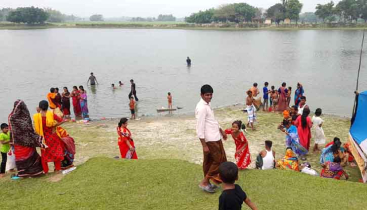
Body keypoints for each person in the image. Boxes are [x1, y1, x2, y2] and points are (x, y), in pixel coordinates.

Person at [196, 84, 227, 193]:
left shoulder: (208, 105)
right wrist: (204, 145)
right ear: (201, 95)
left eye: (210, 95)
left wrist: (221, 131)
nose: (209, 97)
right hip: (209, 139)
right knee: (218, 160)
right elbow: (199, 128)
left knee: (212, 161)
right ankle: (205, 181)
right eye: (207, 95)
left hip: (216, 136)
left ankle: (207, 182)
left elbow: (212, 121)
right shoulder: (201, 108)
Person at [8, 100, 44, 178]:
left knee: (21, 157)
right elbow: (29, 128)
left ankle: (24, 173)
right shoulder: (25, 115)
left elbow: (11, 130)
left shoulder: (11, 116)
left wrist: (12, 141)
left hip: (17, 141)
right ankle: (35, 172)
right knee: (30, 155)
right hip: (27, 141)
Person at [33, 100, 64, 174]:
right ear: (47, 106)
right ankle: (57, 169)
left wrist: (38, 112)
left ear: (39, 107)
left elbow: (36, 128)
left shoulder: (37, 116)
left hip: (43, 138)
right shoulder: (51, 114)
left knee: (44, 154)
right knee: (56, 152)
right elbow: (61, 120)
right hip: (52, 136)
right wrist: (54, 126)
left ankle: (46, 171)